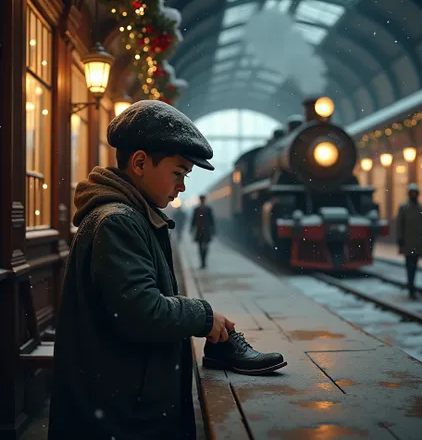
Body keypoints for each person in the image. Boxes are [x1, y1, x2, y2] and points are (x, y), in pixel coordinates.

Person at [48, 100, 285, 440]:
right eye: (178, 172)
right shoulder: (118, 222)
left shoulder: (125, 216)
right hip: (124, 414)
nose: (183, 186)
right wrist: (204, 316)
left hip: (120, 399)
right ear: (141, 162)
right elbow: (141, 312)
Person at [396, 183, 422, 299]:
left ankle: (412, 286)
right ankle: (411, 286)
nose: (413, 195)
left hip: (418, 241)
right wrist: (400, 239)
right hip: (407, 241)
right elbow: (399, 224)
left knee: (414, 265)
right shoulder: (404, 207)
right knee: (409, 266)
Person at [190, 195, 215, 268]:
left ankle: (204, 261)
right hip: (200, 230)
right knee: (200, 246)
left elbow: (212, 220)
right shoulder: (197, 209)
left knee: (205, 247)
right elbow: (193, 220)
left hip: (205, 230)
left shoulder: (208, 209)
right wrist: (191, 228)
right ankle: (202, 262)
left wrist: (213, 230)